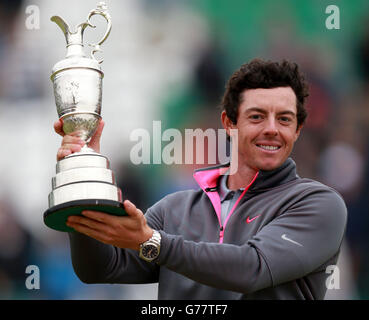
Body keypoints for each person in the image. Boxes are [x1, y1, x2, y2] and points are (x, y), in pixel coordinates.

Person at [55, 59, 347, 300]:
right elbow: (101, 269)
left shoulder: (319, 204)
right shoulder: (175, 209)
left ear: (297, 130)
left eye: (284, 119)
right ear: (229, 124)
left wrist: (153, 241)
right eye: (257, 117)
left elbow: (252, 269)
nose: (272, 129)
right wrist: (83, 180)